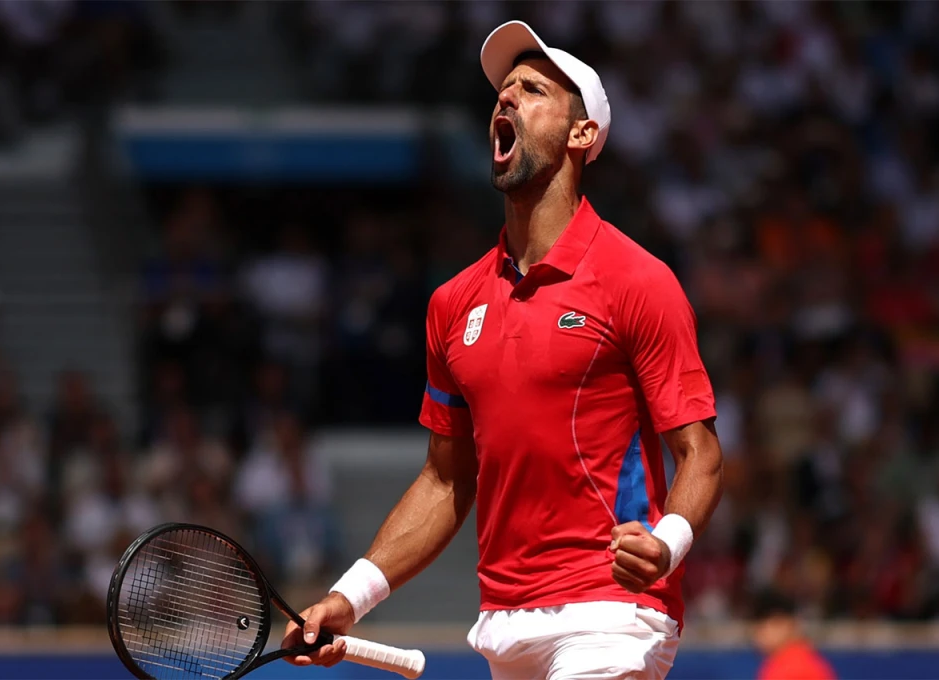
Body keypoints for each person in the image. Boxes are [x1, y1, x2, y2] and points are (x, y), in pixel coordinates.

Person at [283, 21, 723, 679]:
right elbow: (445, 478)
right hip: (505, 624)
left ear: (582, 136)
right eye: (503, 91)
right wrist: (349, 598)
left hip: (613, 613)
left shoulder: (638, 280)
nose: (506, 100)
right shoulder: (452, 303)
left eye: (533, 90)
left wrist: (666, 546)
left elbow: (702, 454)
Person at [752, 589, 835, 680]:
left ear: (789, 624)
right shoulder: (809, 660)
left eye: (762, 627)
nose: (758, 635)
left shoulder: (790, 667)